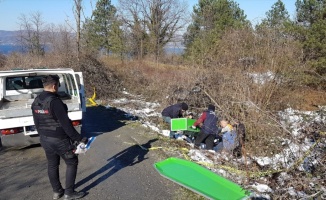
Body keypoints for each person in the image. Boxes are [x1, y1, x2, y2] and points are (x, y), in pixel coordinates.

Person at [31, 75, 87, 200]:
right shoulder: (55, 102)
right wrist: (79, 138)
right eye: (58, 86)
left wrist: (43, 136)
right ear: (55, 86)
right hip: (60, 140)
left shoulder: (36, 100)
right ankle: (69, 193)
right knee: (72, 162)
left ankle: (57, 192)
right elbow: (66, 124)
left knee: (52, 164)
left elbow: (37, 123)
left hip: (45, 139)